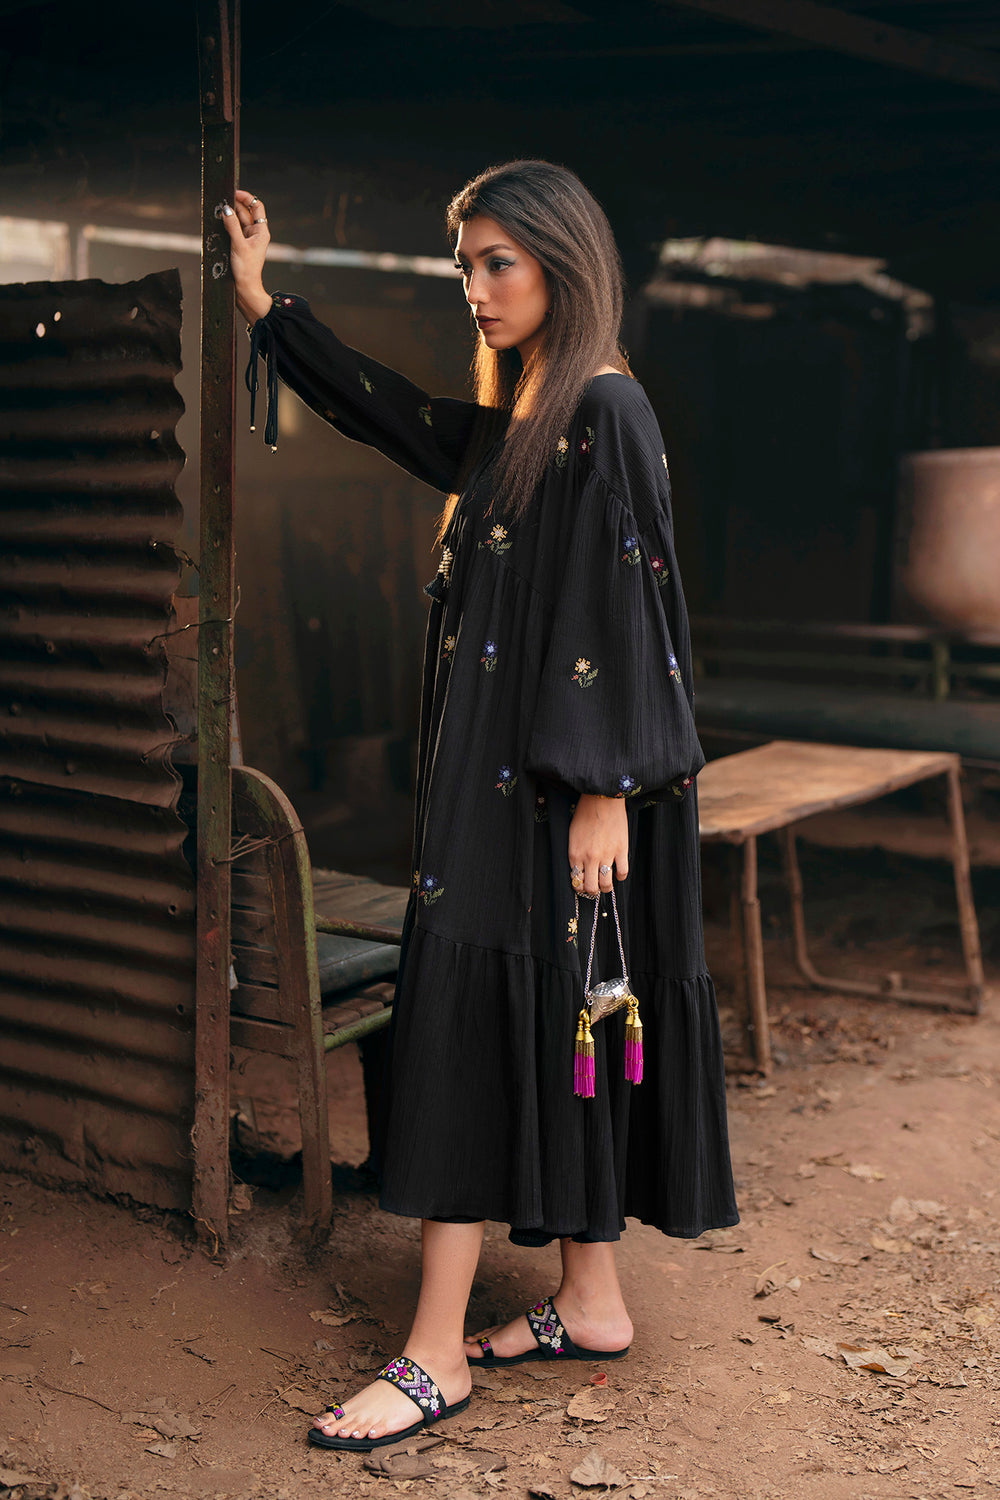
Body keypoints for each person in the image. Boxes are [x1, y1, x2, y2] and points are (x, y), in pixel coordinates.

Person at [223, 159, 738, 1454]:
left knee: (475, 1019)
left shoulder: (605, 408)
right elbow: (395, 414)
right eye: (466, 267)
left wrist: (606, 792)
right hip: (519, 791)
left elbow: (632, 603)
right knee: (553, 1013)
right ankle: (592, 1301)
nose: (476, 288)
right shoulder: (529, 420)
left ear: (564, 261)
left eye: (497, 262)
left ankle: (435, 1353)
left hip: (560, 800)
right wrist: (266, 310)